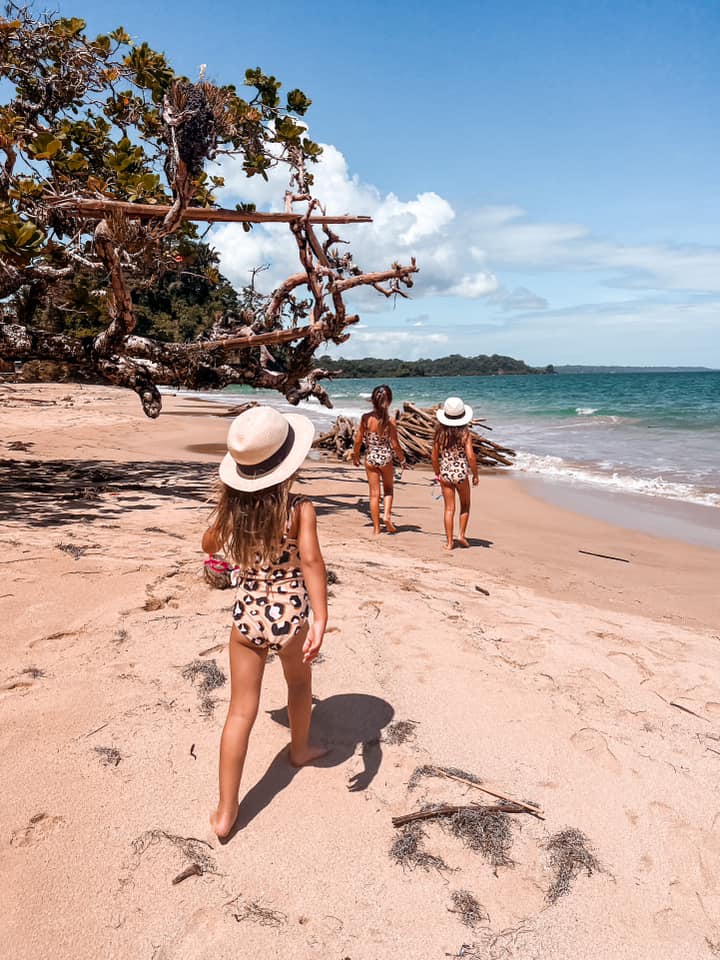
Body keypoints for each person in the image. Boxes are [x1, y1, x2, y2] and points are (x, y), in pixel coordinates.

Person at [202, 405, 328, 839]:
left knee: (241, 711)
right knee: (298, 685)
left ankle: (225, 810)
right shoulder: (299, 509)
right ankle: (300, 748)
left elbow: (209, 544)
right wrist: (321, 617)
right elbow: (311, 562)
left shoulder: (233, 508)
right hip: (290, 614)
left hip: (247, 614)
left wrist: (226, 514)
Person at [352, 384, 406, 535]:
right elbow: (395, 445)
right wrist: (402, 460)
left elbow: (358, 441)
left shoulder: (366, 418)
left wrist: (356, 455)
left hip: (370, 459)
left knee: (374, 494)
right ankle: (387, 516)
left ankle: (376, 528)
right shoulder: (390, 421)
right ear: (389, 401)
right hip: (386, 459)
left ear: (373, 401)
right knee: (388, 490)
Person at [431, 396, 479, 551]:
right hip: (461, 474)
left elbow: (433, 456)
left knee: (449, 508)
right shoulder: (465, 434)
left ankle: (449, 542)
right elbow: (471, 456)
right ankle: (462, 535)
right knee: (465, 505)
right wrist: (476, 474)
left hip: (445, 474)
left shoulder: (439, 434)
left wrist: (437, 472)